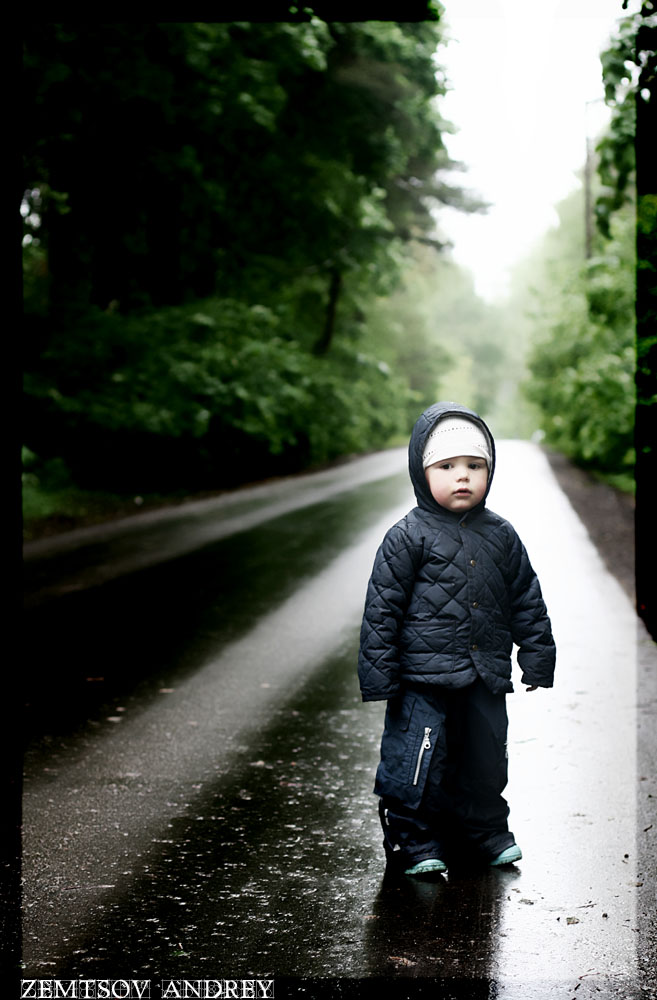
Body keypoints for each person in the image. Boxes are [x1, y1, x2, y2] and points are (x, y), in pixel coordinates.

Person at [358, 400, 556, 875]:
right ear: (422, 472)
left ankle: (485, 832)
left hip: (483, 674)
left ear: (489, 470)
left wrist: (537, 658)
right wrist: (379, 676)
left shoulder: (501, 535)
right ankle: (413, 840)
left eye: (474, 465)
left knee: (485, 761)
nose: (462, 477)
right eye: (446, 467)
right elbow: (381, 609)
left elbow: (526, 598)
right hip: (421, 680)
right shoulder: (407, 537)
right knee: (417, 764)